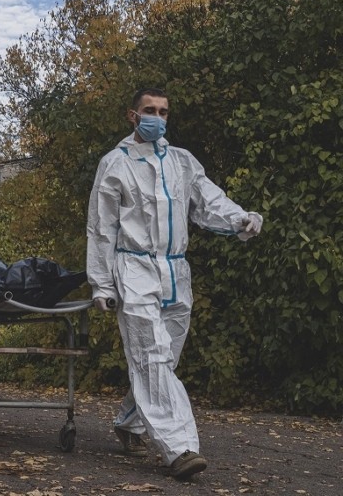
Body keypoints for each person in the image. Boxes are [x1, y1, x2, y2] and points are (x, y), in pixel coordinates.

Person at [86, 88, 263, 480]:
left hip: (176, 271)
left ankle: (130, 420)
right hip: (133, 268)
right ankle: (180, 447)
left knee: (166, 356)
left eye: (164, 111)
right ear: (133, 115)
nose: (158, 117)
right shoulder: (115, 164)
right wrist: (101, 283)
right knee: (151, 354)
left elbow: (207, 199)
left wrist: (239, 218)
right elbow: (101, 228)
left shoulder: (181, 161)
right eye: (150, 110)